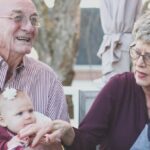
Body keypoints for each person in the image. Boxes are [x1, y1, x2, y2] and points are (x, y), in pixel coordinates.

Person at [19, 11, 150, 150]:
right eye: (136, 52)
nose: (140, 62)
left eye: (149, 56)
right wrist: (69, 133)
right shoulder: (120, 86)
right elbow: (86, 140)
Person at [0, 0, 69, 125]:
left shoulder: (47, 77)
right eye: (17, 18)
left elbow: (60, 140)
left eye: (34, 20)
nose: (29, 28)